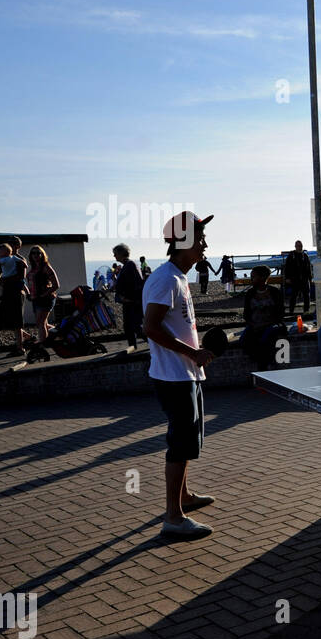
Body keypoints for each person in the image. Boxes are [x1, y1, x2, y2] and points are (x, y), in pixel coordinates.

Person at [144, 210, 217, 541]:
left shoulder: (177, 277)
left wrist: (195, 357)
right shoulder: (166, 279)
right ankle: (174, 516)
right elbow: (151, 328)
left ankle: (184, 497)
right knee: (180, 443)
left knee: (187, 441)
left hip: (186, 374)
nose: (204, 245)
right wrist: (193, 354)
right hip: (174, 376)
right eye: (199, 238)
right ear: (183, 241)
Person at [240, 265, 287, 371]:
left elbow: (280, 313)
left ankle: (263, 367)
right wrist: (252, 324)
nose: (251, 279)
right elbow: (246, 313)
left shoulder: (274, 292)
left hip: (272, 325)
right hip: (255, 324)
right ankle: (259, 362)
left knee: (265, 340)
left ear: (262, 278)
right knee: (243, 340)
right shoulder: (250, 293)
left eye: (254, 277)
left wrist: (267, 323)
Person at [0, 241, 28, 354]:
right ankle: (27, 337)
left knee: (17, 321)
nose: (12, 246)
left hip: (17, 293)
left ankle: (20, 348)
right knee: (7, 319)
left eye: (14, 244)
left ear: (18, 246)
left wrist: (8, 282)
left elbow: (21, 278)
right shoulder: (5, 260)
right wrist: (3, 283)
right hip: (7, 293)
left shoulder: (19, 260)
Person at [25, 245, 60, 344]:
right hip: (35, 299)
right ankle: (60, 332)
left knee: (41, 323)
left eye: (38, 253)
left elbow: (56, 285)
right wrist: (29, 294)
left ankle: (42, 344)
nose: (35, 255)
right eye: (33, 253)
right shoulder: (33, 268)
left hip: (46, 299)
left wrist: (44, 295)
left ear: (42, 255)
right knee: (42, 323)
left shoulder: (46, 267)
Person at [113, 243, 145, 349]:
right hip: (129, 301)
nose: (114, 256)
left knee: (135, 327)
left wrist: (129, 298)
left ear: (122, 253)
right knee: (129, 327)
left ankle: (155, 344)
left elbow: (136, 284)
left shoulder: (130, 265)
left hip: (132, 302)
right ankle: (133, 347)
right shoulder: (128, 265)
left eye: (115, 254)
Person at [283, 240, 313, 316]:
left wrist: (310, 278)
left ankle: (306, 311)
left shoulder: (305, 256)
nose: (299, 247)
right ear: (295, 246)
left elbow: (309, 268)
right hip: (294, 280)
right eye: (298, 246)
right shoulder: (291, 255)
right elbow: (286, 267)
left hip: (304, 279)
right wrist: (287, 278)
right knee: (293, 296)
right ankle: (291, 312)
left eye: (301, 246)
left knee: (306, 296)